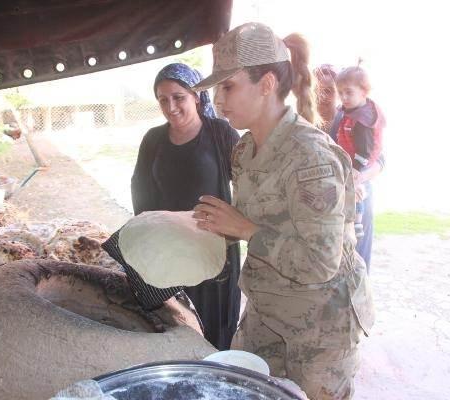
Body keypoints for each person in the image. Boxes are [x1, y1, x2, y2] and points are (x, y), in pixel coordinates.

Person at [191, 23, 374, 399]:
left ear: (267, 84)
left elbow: (320, 261)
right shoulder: (244, 150)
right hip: (267, 311)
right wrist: (217, 225)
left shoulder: (310, 157)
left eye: (228, 86)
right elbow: (257, 223)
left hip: (321, 325)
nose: (218, 100)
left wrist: (245, 230)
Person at [130, 63, 241, 350]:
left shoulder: (221, 135)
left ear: (196, 96)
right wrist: (146, 237)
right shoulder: (153, 139)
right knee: (174, 325)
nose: (171, 106)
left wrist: (234, 230)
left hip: (212, 249)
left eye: (178, 97)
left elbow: (248, 188)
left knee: (213, 328)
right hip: (168, 251)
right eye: (163, 100)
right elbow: (140, 189)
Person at [333, 65, 386, 269]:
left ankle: (358, 220)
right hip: (350, 170)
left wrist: (356, 171)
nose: (343, 97)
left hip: (360, 170)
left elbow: (366, 152)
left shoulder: (363, 119)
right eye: (341, 93)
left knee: (358, 196)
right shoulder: (347, 113)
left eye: (349, 92)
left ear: (364, 91)